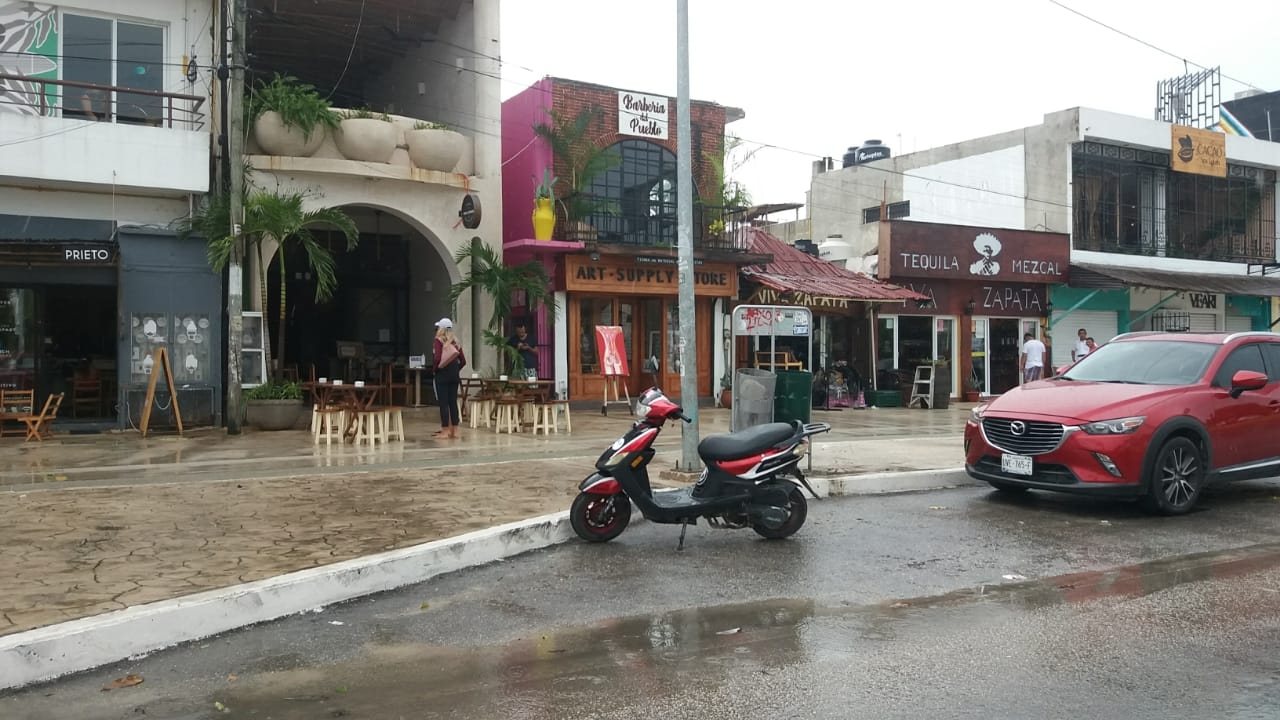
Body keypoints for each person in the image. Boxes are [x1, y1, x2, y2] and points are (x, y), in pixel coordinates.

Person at [432, 317, 466, 439]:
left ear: (441, 329)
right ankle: (455, 430)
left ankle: (445, 430)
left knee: (443, 403)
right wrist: (456, 370)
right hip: (454, 376)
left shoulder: (438, 341)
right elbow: (463, 361)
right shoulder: (456, 342)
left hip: (442, 376)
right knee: (453, 402)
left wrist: (435, 369)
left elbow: (437, 358)